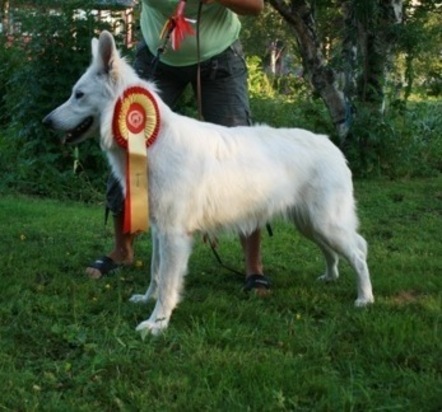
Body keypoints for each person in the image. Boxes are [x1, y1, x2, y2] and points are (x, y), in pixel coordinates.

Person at [86, 0, 271, 293]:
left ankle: (254, 267)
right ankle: (122, 250)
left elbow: (255, 6)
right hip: (158, 52)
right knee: (129, 138)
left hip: (219, 56)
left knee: (241, 154)